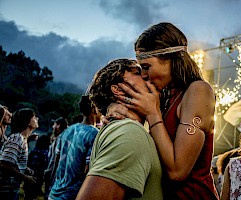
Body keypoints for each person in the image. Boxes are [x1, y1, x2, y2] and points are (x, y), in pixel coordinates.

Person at [109, 22, 218, 199]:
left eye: (146, 66)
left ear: (169, 59)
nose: (144, 75)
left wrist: (152, 114)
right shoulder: (165, 98)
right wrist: (119, 114)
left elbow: (177, 171)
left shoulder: (198, 90)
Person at [76, 58, 163, 199]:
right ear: (117, 89)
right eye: (137, 72)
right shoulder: (129, 133)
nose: (146, 75)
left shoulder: (125, 130)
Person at [49, 95, 101, 200]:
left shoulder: (67, 131)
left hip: (54, 193)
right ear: (94, 108)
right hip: (73, 195)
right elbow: (87, 170)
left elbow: (56, 162)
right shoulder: (94, 134)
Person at [0, 108, 38, 200]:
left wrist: (24, 168)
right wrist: (25, 177)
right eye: (34, 117)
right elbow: (3, 164)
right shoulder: (17, 139)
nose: (37, 119)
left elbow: (11, 161)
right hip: (6, 189)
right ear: (28, 122)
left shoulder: (22, 139)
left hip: (11, 188)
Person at [44, 116, 68, 198]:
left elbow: (55, 159)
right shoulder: (55, 138)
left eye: (54, 124)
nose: (52, 126)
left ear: (58, 125)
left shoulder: (61, 138)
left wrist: (49, 171)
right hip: (51, 170)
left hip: (54, 172)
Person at [23, 135, 50, 200]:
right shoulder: (46, 152)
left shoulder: (34, 151)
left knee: (28, 196)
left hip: (29, 176)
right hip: (38, 177)